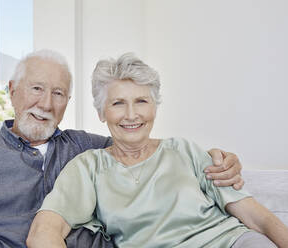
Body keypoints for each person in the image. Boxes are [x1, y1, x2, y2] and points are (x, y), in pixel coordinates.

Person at [0, 50, 243, 248]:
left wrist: (215, 156)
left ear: (67, 103)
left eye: (58, 93)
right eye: (36, 88)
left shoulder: (88, 147)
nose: (45, 103)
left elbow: (144, 148)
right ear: (13, 91)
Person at [26, 53, 288, 248]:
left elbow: (258, 218)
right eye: (118, 103)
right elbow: (43, 232)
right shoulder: (87, 168)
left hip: (234, 242)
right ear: (101, 112)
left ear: (155, 107)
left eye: (141, 101)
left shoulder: (184, 150)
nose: (131, 115)